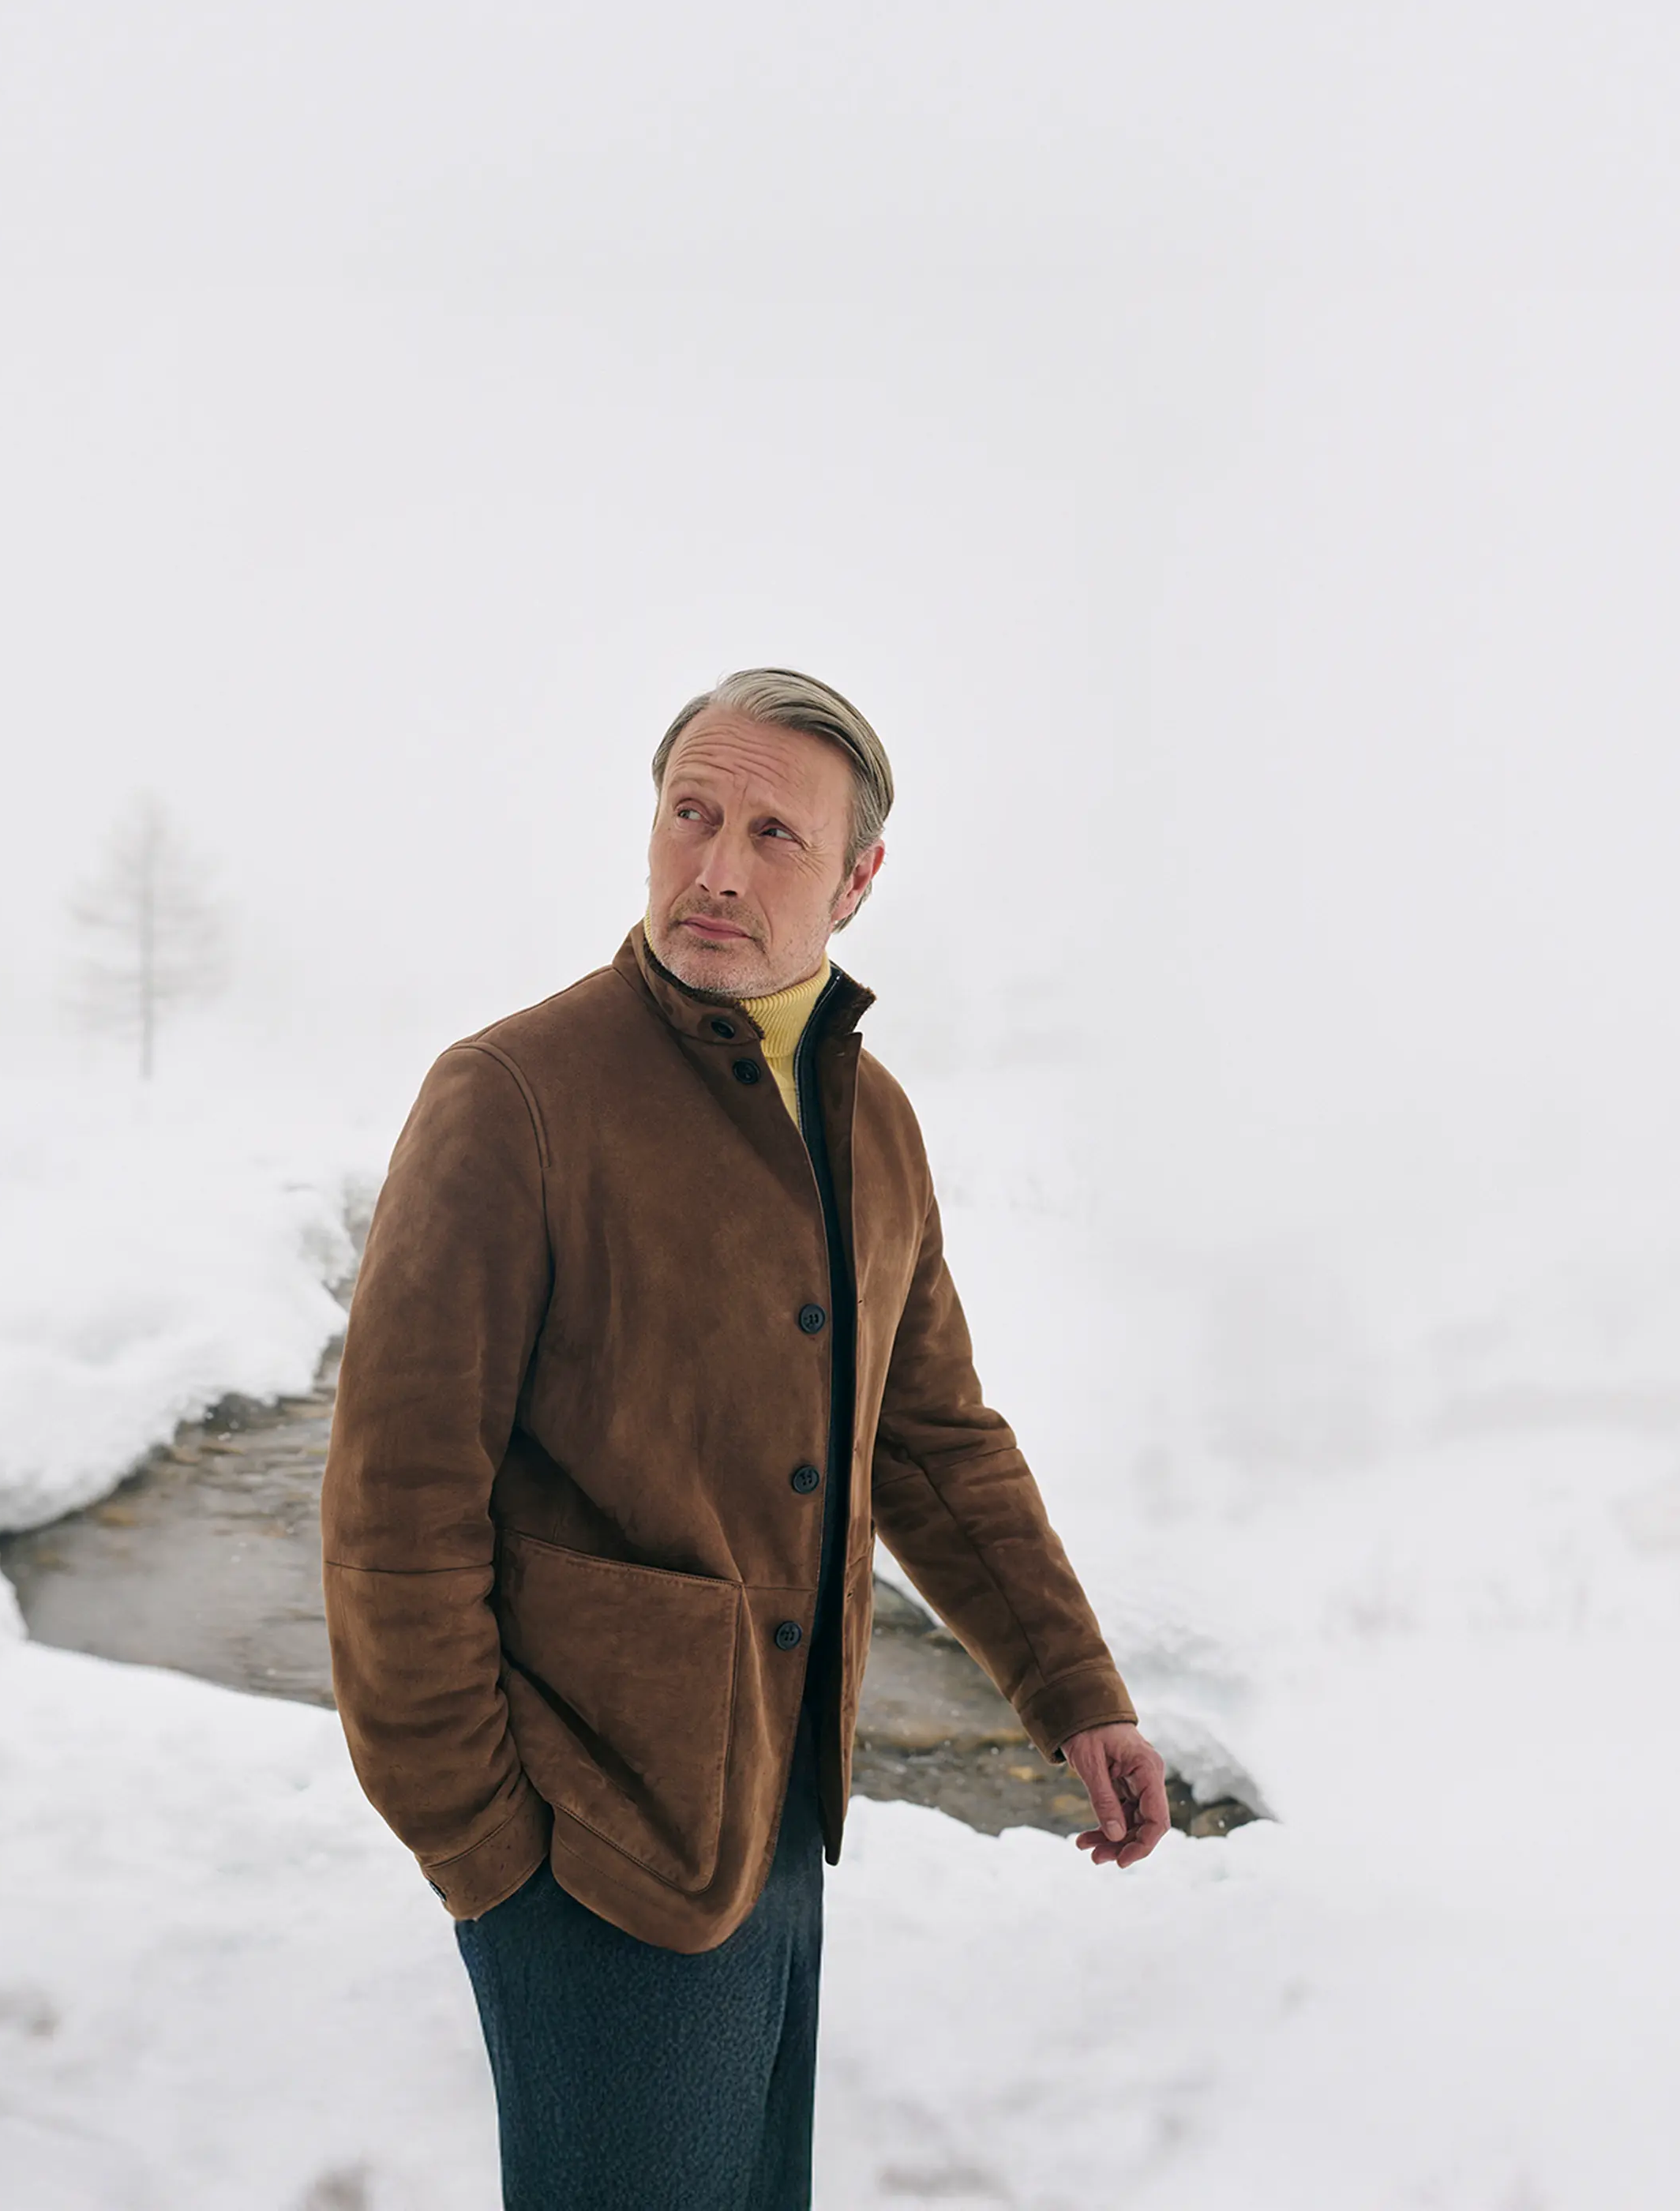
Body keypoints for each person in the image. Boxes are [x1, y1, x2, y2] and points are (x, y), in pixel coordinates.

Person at [321, 669, 1168, 2209]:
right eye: (690, 812)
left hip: (777, 1815)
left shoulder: (874, 1120)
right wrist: (489, 1847)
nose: (715, 864)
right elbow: (395, 1508)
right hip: (583, 1840)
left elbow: (934, 1438)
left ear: (858, 879)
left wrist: (1074, 1685)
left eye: (775, 832)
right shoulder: (512, 1096)